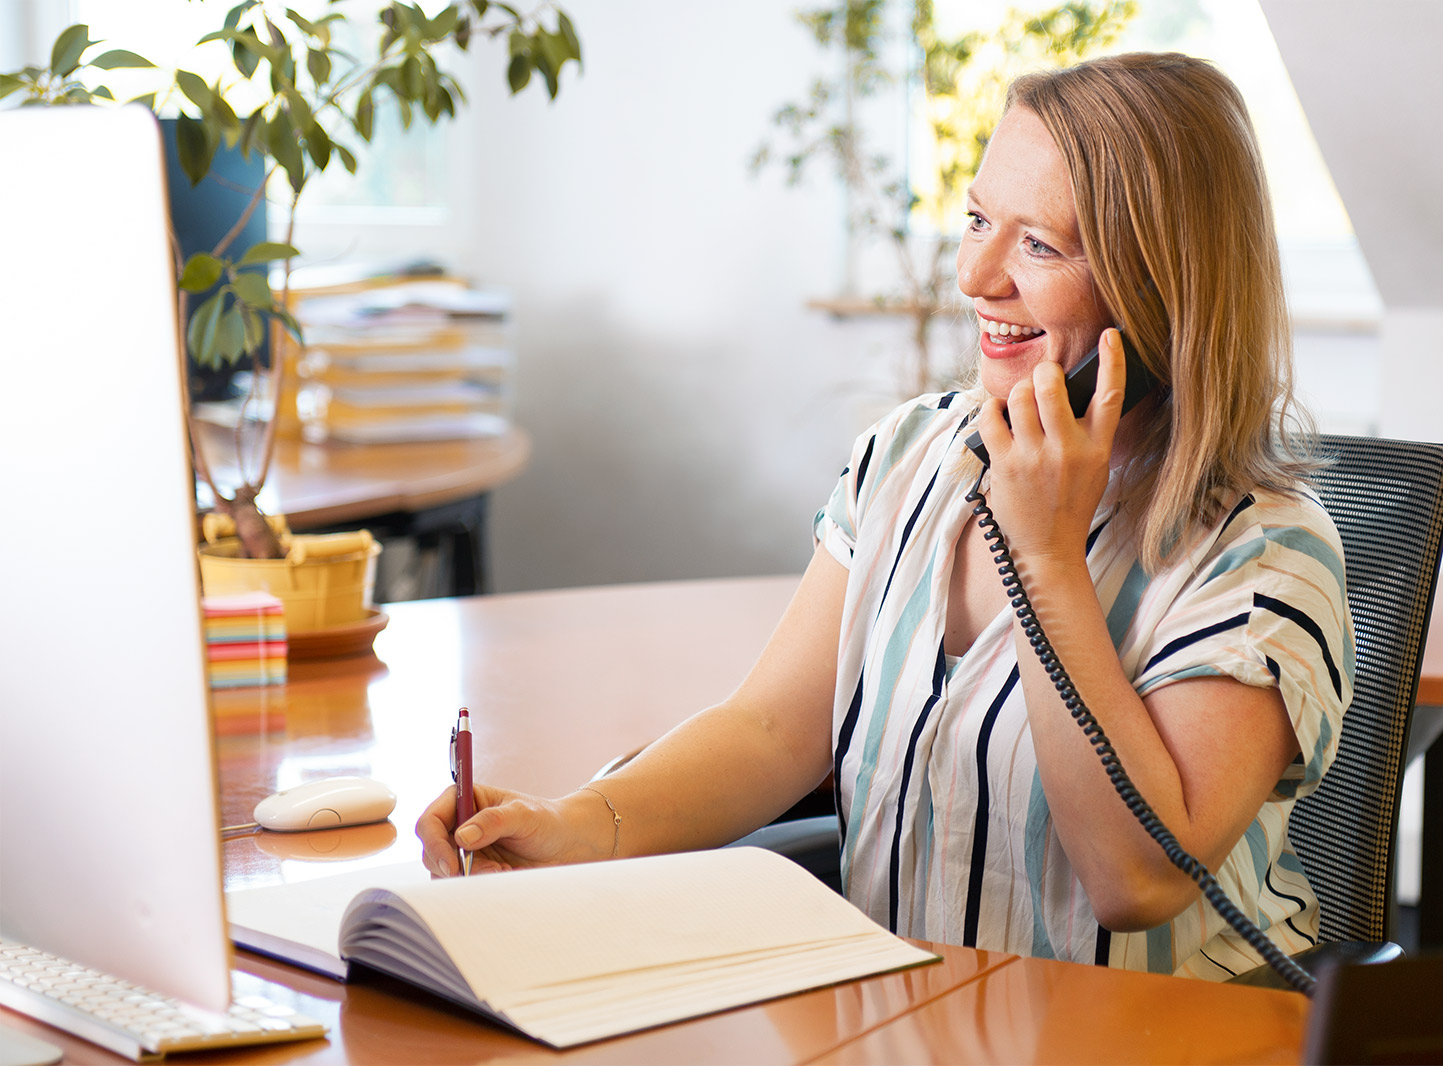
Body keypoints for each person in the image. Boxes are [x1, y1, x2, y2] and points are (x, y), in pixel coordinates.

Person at [417, 52, 1354, 980]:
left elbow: (1138, 880)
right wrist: (575, 825)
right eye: (978, 220)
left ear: (1163, 289)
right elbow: (772, 733)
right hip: (907, 1025)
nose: (975, 276)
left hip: (1157, 1039)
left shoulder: (1264, 553)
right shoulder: (912, 454)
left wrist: (1047, 561)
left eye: (1039, 244)